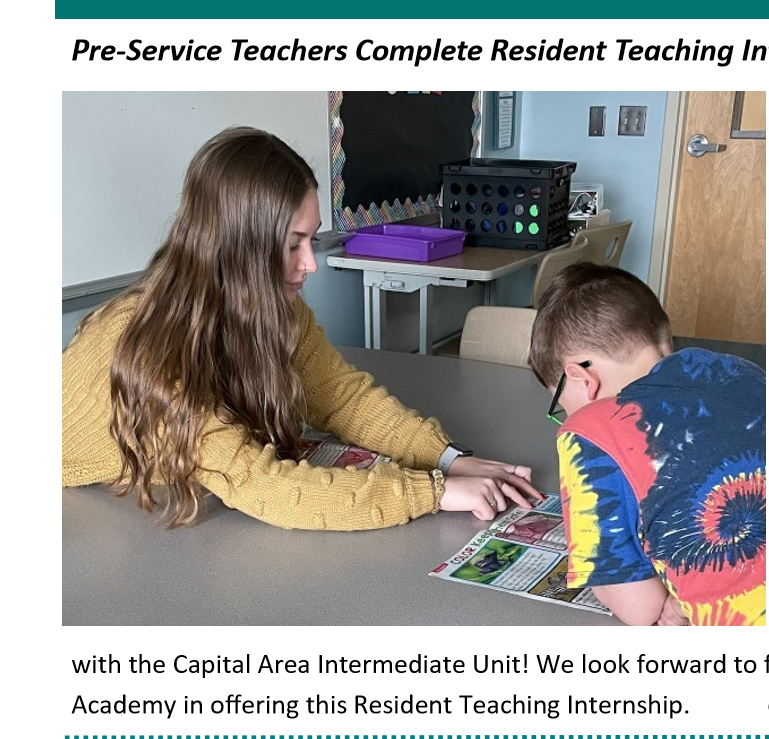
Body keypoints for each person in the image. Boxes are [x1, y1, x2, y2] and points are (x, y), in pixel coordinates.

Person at [62, 127, 541, 530]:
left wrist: (446, 457)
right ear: (238, 246)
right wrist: (434, 492)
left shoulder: (270, 307)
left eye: (311, 240)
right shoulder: (155, 349)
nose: (311, 263)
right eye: (294, 244)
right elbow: (266, 487)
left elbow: (340, 396)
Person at [527, 262, 765, 626]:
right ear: (663, 341)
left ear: (581, 378)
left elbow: (639, 609)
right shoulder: (743, 371)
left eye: (561, 405)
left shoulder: (589, 430)